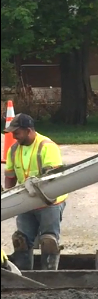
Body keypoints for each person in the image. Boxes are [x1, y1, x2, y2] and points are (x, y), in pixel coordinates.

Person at [4, 113, 66, 270]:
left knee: (48, 242)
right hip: (26, 202)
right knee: (21, 241)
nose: (14, 136)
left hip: (49, 201)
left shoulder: (47, 147)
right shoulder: (13, 150)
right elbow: (10, 176)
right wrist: (7, 198)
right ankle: (24, 277)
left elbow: (53, 179)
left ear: (29, 130)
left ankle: (48, 279)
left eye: (17, 132)